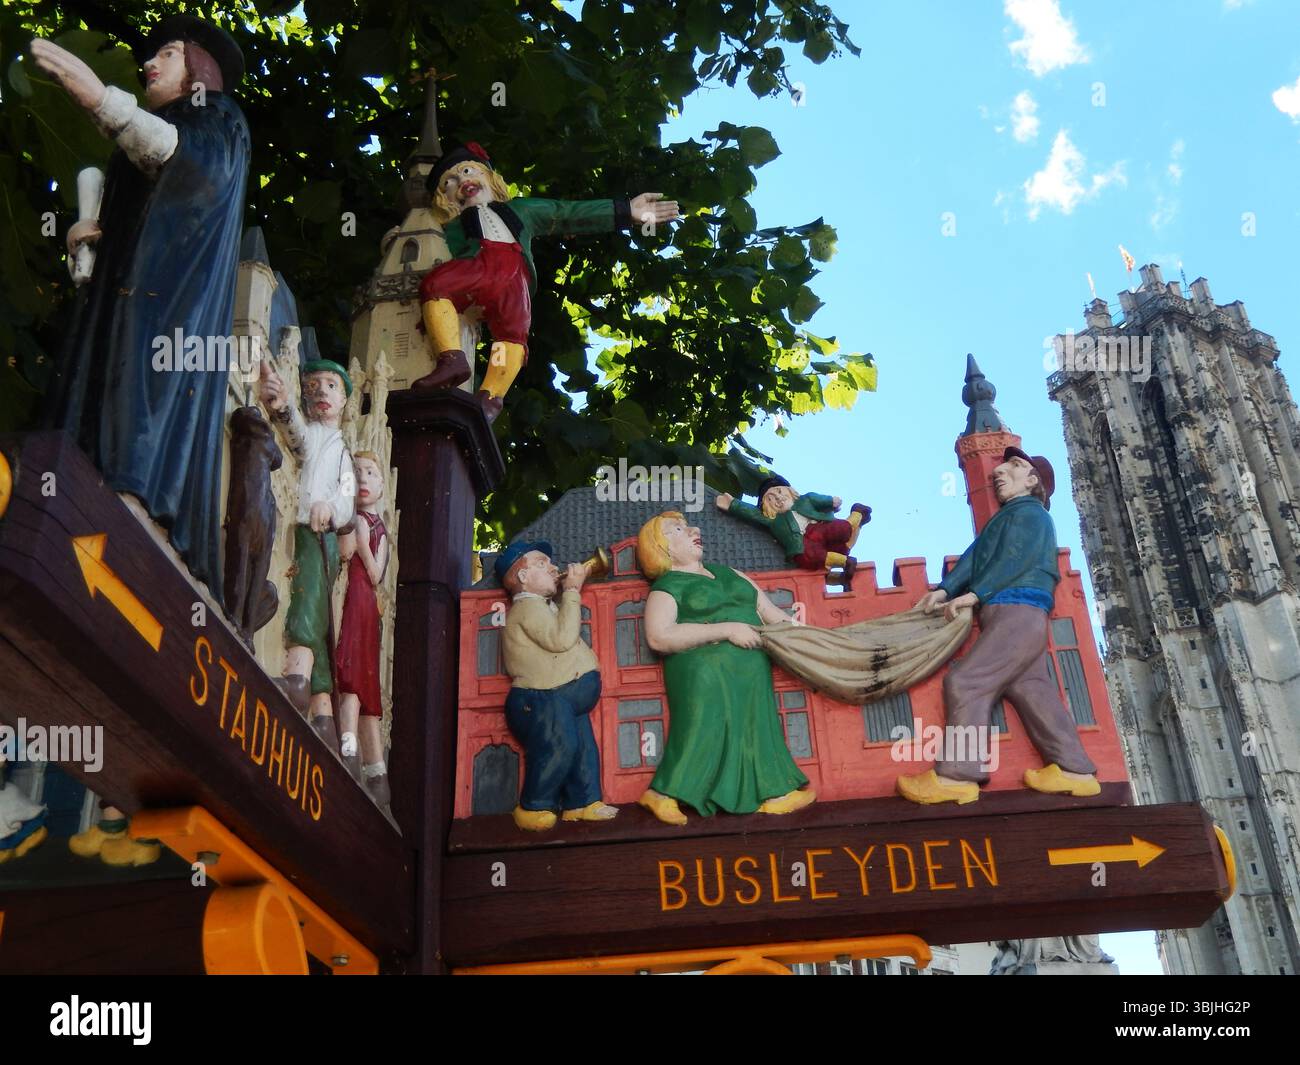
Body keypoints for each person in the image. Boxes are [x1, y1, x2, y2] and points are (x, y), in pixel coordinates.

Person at [32, 17, 249, 607]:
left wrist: (106, 102)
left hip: (171, 305)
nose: (151, 63)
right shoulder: (152, 131)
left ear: (201, 69)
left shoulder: (218, 118)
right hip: (125, 294)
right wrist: (89, 239)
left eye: (169, 53)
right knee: (94, 381)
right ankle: (74, 490)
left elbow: (199, 171)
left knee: (144, 396)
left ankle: (137, 508)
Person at [412, 142, 679, 421]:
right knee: (436, 285)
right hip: (477, 265)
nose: (462, 181)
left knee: (512, 334)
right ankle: (452, 359)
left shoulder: (522, 210)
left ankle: (490, 397)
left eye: (467, 171)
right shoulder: (452, 227)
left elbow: (565, 213)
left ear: (488, 176)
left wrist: (624, 211)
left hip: (515, 273)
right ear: (446, 198)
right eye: (449, 183)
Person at [897, 447, 1100, 804]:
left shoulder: (1032, 517)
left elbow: (1015, 560)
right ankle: (1075, 770)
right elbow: (976, 556)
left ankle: (958, 775)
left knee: (966, 682)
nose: (1000, 472)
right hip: (1014, 614)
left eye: (1015, 466)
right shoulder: (1007, 518)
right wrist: (945, 589)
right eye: (1001, 466)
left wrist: (975, 595)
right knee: (1032, 690)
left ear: (1033, 480)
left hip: (1018, 611)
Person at [636, 511, 816, 825]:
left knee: (758, 726)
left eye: (690, 524)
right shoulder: (668, 585)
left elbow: (774, 615)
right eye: (678, 529)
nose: (693, 529)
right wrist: (727, 629)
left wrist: (818, 639)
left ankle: (775, 793)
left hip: (752, 670)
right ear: (662, 548)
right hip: (702, 669)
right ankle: (663, 793)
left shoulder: (731, 573)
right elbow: (659, 636)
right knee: (703, 725)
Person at [259, 358, 355, 754]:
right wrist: (281, 404)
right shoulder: (314, 435)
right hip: (301, 528)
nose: (321, 393)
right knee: (313, 611)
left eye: (331, 385)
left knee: (310, 606)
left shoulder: (341, 451)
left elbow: (347, 497)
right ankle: (322, 713)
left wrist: (331, 509)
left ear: (345, 399)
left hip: (320, 537)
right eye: (313, 386)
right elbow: (295, 436)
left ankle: (296, 681)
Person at [497, 541, 618, 832]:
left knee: (583, 747)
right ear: (523, 577)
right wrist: (573, 592)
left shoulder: (545, 606)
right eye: (542, 563)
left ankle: (583, 801)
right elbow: (560, 640)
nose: (554, 567)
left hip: (563, 697)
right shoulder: (527, 608)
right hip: (539, 699)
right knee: (560, 745)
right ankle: (533, 806)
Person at [335, 453, 390, 805]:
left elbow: (376, 573)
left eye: (371, 472)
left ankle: (357, 749)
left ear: (383, 484)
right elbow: (344, 556)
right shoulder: (355, 520)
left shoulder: (374, 526)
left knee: (361, 673)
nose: (364, 478)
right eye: (357, 473)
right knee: (356, 671)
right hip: (353, 596)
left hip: (363, 599)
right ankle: (365, 758)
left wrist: (360, 532)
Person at [716, 475, 870, 585]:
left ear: (790, 491)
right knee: (810, 556)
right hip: (801, 543)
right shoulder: (773, 520)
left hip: (819, 527)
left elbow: (817, 499)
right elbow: (751, 512)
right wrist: (733, 504)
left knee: (840, 530)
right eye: (770, 498)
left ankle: (857, 514)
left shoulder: (805, 500)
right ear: (766, 506)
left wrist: (831, 501)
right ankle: (845, 562)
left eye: (779, 491)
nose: (777, 498)